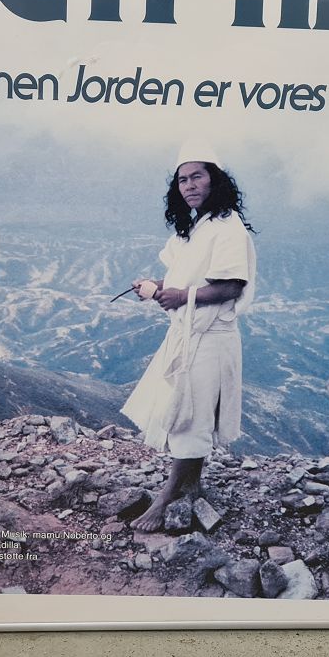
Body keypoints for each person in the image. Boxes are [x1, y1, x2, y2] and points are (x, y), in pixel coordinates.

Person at [121, 141, 257, 531]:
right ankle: (192, 485)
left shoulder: (228, 228)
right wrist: (160, 287)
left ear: (215, 180)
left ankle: (166, 497)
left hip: (209, 339)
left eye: (197, 176)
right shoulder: (201, 226)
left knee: (189, 417)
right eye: (182, 180)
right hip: (192, 334)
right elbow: (192, 279)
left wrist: (182, 297)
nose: (189, 185)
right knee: (190, 412)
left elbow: (230, 286)